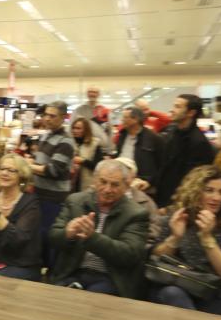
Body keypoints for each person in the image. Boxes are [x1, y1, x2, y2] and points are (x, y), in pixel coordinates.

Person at [149, 166, 221, 318]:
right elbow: (156, 258)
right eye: (209, 190)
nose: (216, 197)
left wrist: (207, 239)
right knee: (170, 293)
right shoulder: (177, 215)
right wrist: (175, 238)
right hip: (183, 284)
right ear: (195, 191)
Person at [49, 159, 149, 298]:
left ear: (126, 186)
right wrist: (68, 233)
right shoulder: (75, 201)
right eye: (103, 182)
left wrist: (93, 238)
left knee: (89, 300)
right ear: (95, 180)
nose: (107, 189)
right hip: (72, 271)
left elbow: (129, 255)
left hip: (110, 277)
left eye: (115, 185)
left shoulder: (136, 213)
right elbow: (53, 238)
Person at [26, 101, 76, 245]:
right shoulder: (45, 136)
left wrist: (29, 166)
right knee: (37, 234)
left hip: (53, 198)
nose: (47, 119)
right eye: (46, 115)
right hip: (39, 194)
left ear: (63, 117)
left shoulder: (66, 141)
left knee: (49, 236)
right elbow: (40, 164)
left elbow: (53, 170)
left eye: (52, 116)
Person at [155, 94, 215, 208]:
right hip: (164, 198)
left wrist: (172, 204)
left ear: (191, 113)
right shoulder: (173, 133)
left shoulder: (199, 142)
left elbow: (193, 180)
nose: (172, 110)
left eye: (177, 107)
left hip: (180, 203)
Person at [114, 106, 164, 193]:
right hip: (122, 182)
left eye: (125, 117)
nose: (122, 120)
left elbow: (162, 165)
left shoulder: (153, 138)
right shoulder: (122, 135)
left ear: (135, 119)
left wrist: (150, 182)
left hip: (142, 186)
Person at [72, 87, 113, 153]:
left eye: (95, 92)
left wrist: (110, 150)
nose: (92, 94)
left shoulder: (105, 111)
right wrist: (74, 147)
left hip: (101, 149)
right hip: (83, 148)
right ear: (87, 94)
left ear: (98, 94)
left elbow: (110, 131)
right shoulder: (79, 110)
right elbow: (71, 129)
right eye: (90, 92)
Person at [70, 117, 102, 192]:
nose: (75, 130)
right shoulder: (70, 142)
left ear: (86, 130)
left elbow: (98, 166)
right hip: (71, 184)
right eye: (73, 128)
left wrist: (83, 161)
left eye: (78, 128)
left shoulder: (94, 143)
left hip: (87, 184)